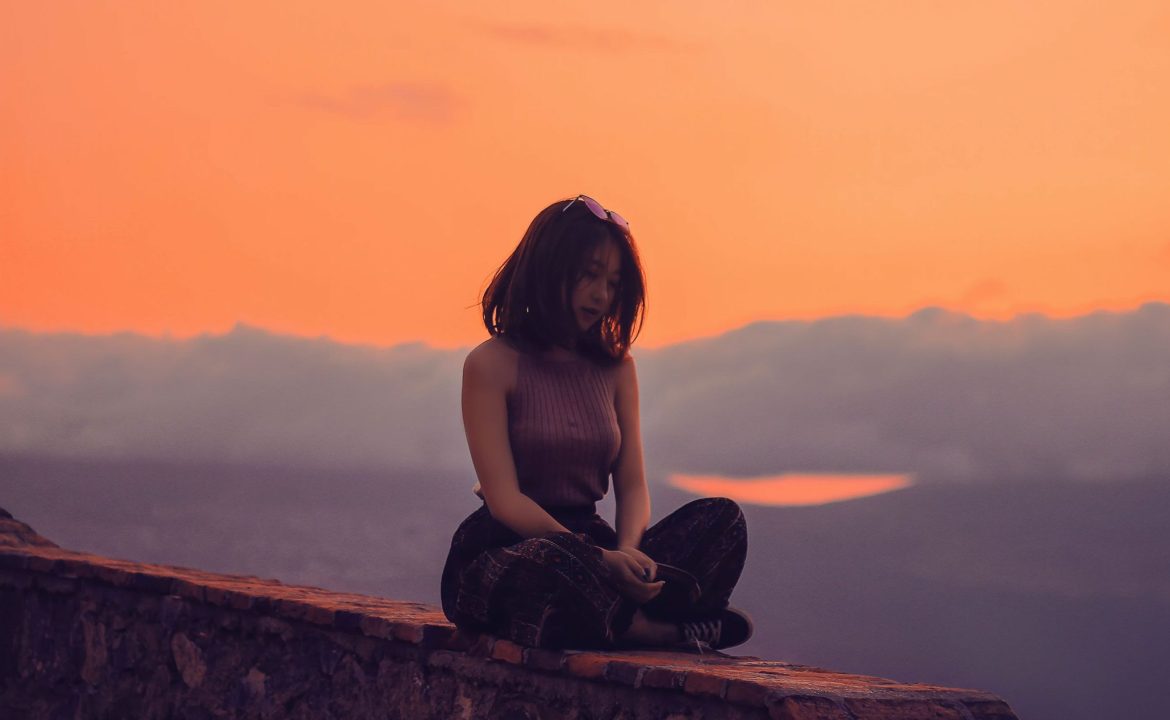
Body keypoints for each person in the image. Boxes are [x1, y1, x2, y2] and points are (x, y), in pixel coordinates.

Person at [440, 194, 751, 651]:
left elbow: (632, 487)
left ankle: (621, 614)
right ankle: (656, 630)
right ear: (547, 269)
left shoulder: (617, 368)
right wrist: (599, 561)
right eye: (588, 275)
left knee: (724, 521)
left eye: (612, 282)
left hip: (597, 545)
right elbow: (504, 500)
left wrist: (626, 552)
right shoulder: (490, 365)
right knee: (556, 561)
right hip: (514, 550)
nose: (600, 295)